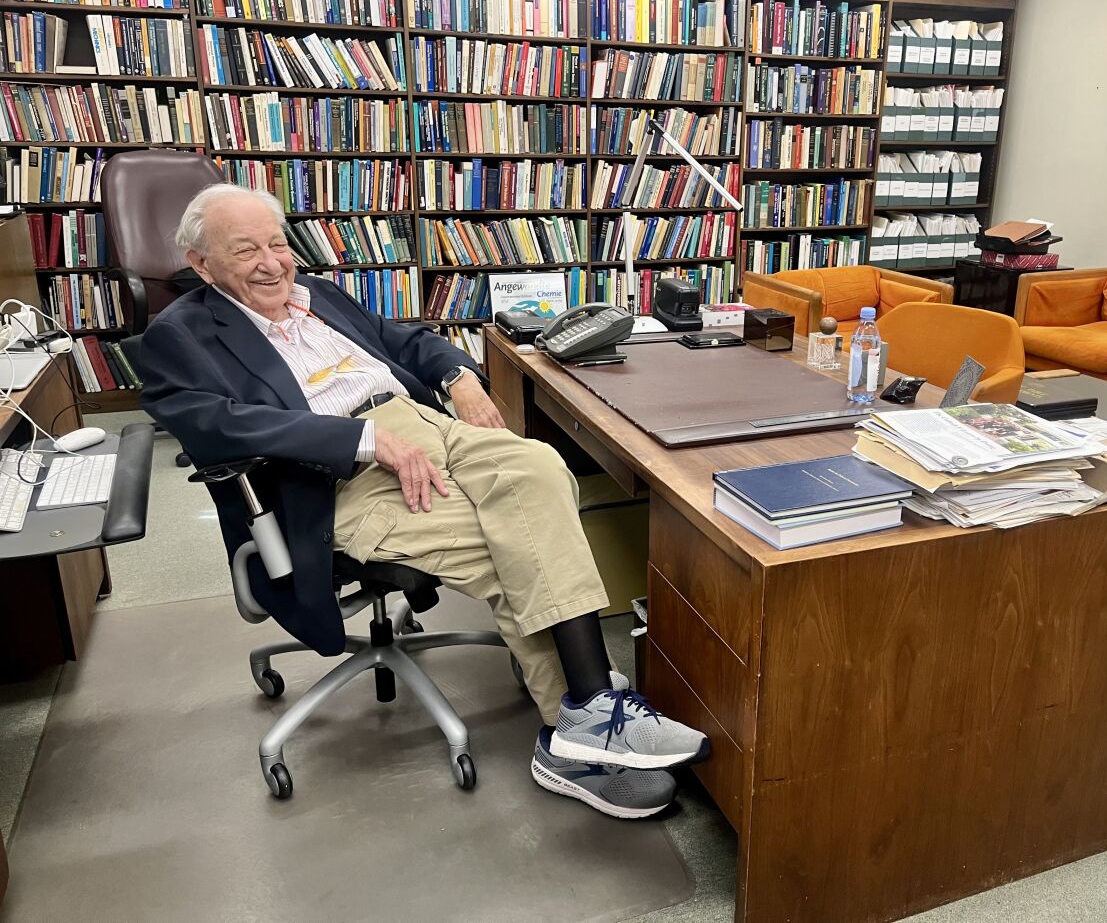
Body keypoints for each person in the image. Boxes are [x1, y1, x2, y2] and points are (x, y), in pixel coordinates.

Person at [139, 185, 707, 819]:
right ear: (202, 264)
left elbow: (400, 337)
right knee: (509, 543)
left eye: (277, 243)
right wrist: (362, 439)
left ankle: (585, 712)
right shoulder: (178, 336)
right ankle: (580, 720)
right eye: (245, 250)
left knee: (539, 469)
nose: (271, 263)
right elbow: (219, 425)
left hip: (424, 426)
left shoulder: (315, 294)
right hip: (334, 477)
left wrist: (457, 375)